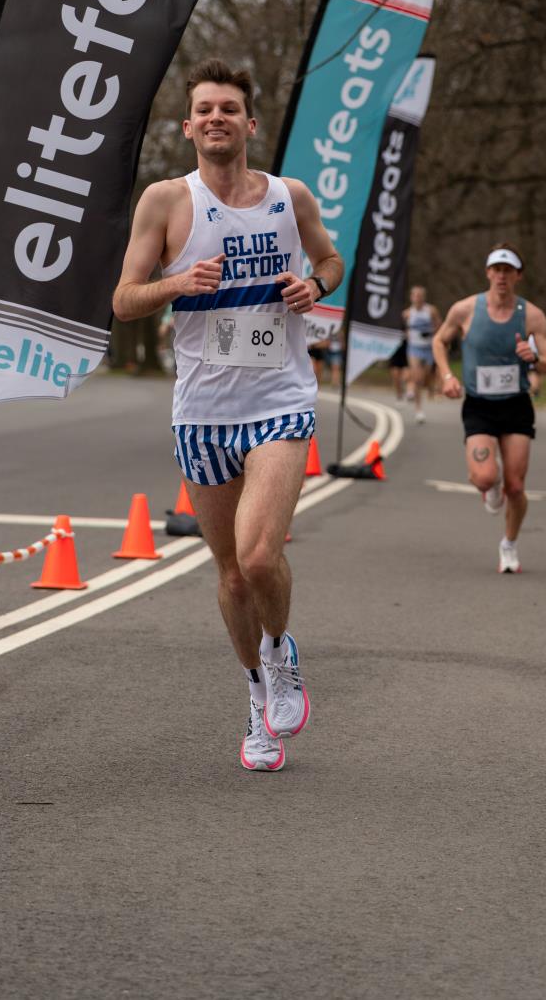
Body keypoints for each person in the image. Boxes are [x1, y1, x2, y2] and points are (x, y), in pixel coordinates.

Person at [113, 59, 344, 772]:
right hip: (203, 414)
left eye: (230, 108)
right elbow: (123, 299)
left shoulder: (288, 196)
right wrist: (178, 282)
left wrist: (314, 286)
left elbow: (331, 259)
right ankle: (256, 694)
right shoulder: (165, 201)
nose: (217, 117)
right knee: (232, 575)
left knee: (258, 555)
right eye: (205, 109)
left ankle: (280, 651)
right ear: (188, 126)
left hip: (279, 402)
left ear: (250, 123)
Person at [431, 243, 546, 574]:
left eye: (508, 270)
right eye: (497, 269)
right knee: (485, 478)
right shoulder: (465, 310)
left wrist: (535, 359)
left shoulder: (532, 315)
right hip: (479, 405)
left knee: (515, 487)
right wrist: (447, 376)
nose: (502, 276)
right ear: (488, 273)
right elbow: (439, 341)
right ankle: (490, 485)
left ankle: (509, 544)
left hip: (516, 405)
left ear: (518, 276)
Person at [403, 285, 440, 424]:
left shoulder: (431, 310)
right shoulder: (407, 313)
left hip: (429, 348)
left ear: (424, 297)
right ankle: (418, 410)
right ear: (411, 297)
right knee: (417, 378)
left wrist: (431, 333)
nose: (417, 298)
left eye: (420, 295)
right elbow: (403, 328)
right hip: (414, 348)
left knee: (425, 378)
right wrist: (407, 334)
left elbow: (439, 325)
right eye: (415, 295)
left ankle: (421, 388)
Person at [388, 337, 409, 402]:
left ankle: (404, 387)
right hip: (394, 352)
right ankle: (399, 394)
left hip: (406, 352)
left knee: (406, 376)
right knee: (396, 376)